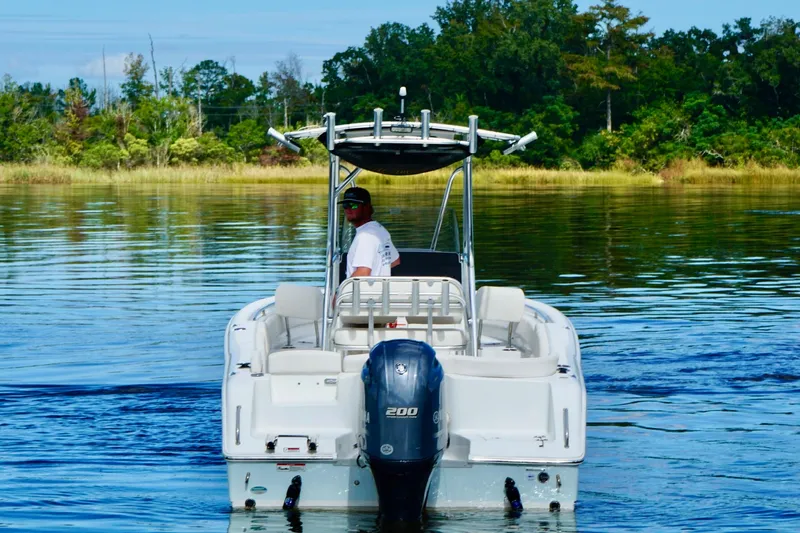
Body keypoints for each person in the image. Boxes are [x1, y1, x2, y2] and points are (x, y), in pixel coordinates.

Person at [340, 187, 400, 277]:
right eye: (345, 205)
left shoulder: (365, 236)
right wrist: (378, 271)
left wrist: (341, 288)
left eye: (353, 205)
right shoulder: (380, 229)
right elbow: (395, 261)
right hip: (380, 286)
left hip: (364, 287)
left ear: (367, 207)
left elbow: (363, 273)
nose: (348, 209)